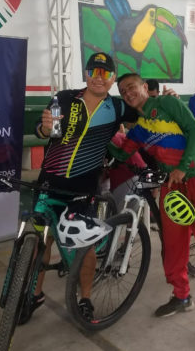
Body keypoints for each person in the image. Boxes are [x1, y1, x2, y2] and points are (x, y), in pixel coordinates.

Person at [109, 74, 195, 345]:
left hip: (194, 178)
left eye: (131, 87)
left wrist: (182, 166)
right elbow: (124, 153)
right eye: (123, 91)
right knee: (172, 246)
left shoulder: (168, 104)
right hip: (171, 186)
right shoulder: (140, 127)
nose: (128, 93)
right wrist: (101, 139)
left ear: (145, 87)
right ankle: (181, 296)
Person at [24, 52, 138, 324]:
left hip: (83, 189)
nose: (99, 78)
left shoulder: (118, 107)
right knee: (41, 240)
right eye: (93, 72)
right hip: (49, 183)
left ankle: (85, 298)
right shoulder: (64, 98)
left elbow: (147, 109)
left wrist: (165, 99)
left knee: (85, 246)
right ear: (86, 74)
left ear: (112, 78)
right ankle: (35, 294)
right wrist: (45, 128)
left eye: (105, 73)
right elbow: (44, 129)